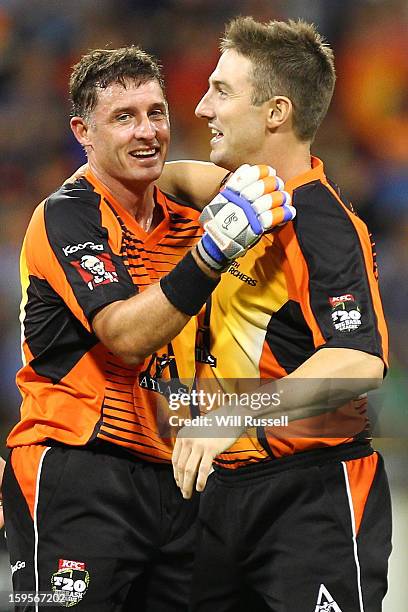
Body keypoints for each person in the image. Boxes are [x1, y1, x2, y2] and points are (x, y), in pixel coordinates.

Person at [1, 46, 293, 611]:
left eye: (156, 113)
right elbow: (125, 337)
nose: (147, 132)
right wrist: (213, 253)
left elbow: (264, 188)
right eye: (124, 117)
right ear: (83, 132)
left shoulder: (186, 210)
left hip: (177, 477)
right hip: (78, 469)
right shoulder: (68, 214)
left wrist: (276, 191)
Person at [167, 17, 391, 612]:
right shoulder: (236, 194)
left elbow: (359, 361)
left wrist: (229, 415)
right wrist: (117, 167)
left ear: (275, 113)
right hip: (214, 493)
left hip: (310, 497)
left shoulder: (324, 225)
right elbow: (179, 178)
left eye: (221, 90)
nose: (201, 105)